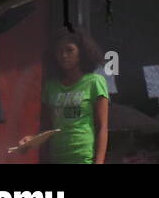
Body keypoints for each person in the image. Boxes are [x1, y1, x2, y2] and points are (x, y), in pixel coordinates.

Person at [23, 30, 109, 164]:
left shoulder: (94, 82)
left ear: (81, 52)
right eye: (59, 51)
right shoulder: (51, 87)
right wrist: (31, 140)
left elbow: (102, 127)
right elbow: (47, 127)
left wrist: (99, 162)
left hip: (84, 158)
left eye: (70, 50)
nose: (64, 55)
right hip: (56, 157)